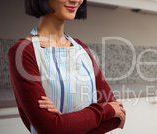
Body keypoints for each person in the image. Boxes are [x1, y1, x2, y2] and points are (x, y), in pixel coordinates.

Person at [7, 0, 126, 133]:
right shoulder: (23, 52)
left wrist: (64, 122)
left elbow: (117, 117)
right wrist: (105, 110)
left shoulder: (81, 48)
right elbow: (51, 129)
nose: (75, 0)